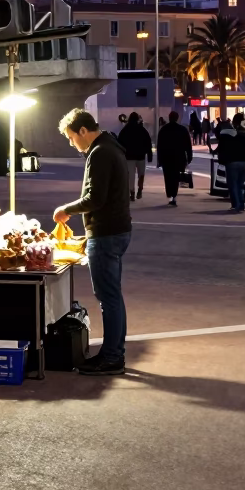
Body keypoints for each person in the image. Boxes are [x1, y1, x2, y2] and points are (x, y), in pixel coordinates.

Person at [53, 109, 132, 376]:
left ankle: (112, 358)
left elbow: (95, 198)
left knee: (108, 297)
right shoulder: (110, 147)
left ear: (83, 131)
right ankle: (113, 354)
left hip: (106, 233)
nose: (71, 143)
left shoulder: (100, 153)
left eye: (71, 137)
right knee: (112, 296)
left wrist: (67, 210)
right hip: (116, 230)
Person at [214, 116, 245, 212]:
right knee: (240, 184)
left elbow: (221, 145)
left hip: (231, 162)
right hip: (243, 162)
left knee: (233, 184)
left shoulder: (227, 134)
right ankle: (241, 204)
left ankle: (236, 205)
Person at [157, 110, 194, 206]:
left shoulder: (164, 130)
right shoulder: (182, 129)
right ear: (177, 118)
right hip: (178, 157)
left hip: (166, 158)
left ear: (169, 118)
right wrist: (189, 157)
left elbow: (160, 146)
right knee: (175, 177)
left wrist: (159, 159)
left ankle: (170, 194)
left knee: (168, 177)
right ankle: (174, 195)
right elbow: (188, 145)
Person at [117, 112, 153, 202]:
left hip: (129, 157)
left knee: (131, 176)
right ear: (137, 119)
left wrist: (120, 155)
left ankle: (132, 193)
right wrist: (149, 155)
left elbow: (119, 143)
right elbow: (148, 142)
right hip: (141, 156)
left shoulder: (125, 130)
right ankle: (140, 190)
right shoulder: (142, 129)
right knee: (141, 174)